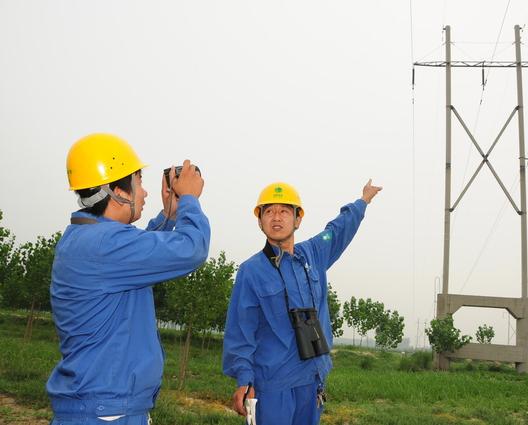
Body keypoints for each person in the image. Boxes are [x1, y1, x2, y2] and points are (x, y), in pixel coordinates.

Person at [46, 133, 210, 425]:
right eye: (139, 182)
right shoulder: (104, 244)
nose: (145, 193)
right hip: (108, 412)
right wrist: (188, 200)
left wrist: (168, 215)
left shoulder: (86, 239)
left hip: (97, 405)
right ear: (117, 191)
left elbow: (138, 251)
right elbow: (192, 249)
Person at [223, 179, 382, 425]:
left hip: (313, 380)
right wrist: (244, 379)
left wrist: (362, 201)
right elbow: (241, 331)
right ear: (260, 221)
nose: (277, 218)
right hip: (273, 386)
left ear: (298, 219)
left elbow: (339, 229)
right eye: (269, 211)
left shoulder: (313, 254)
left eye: (285, 211)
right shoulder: (251, 271)